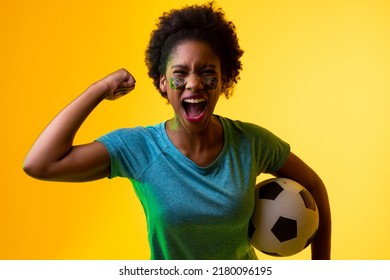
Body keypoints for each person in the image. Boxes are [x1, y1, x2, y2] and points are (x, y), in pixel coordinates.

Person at [23, 2, 331, 260]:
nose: (194, 83)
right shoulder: (139, 149)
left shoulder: (250, 143)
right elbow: (40, 163)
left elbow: (315, 186)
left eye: (208, 72)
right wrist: (98, 89)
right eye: (180, 74)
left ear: (224, 80)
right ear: (161, 82)